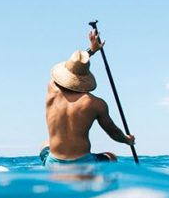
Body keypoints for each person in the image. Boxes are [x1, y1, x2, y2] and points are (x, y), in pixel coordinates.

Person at [40, 30, 135, 165]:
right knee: (111, 156)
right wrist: (127, 140)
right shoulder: (96, 103)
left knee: (45, 144)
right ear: (85, 77)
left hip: (54, 163)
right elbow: (114, 133)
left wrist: (91, 51)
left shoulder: (51, 88)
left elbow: (73, 66)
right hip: (82, 163)